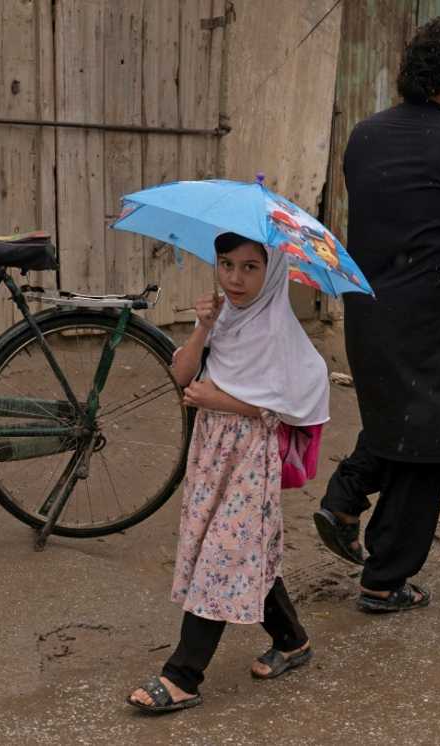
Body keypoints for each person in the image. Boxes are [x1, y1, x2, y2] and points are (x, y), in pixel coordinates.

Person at [312, 17, 440, 612]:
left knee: (401, 413)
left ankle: (345, 498)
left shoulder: (364, 135)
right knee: (431, 438)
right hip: (429, 315)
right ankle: (384, 578)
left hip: (366, 306)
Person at [127, 233, 330, 713]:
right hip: (210, 454)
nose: (235, 279)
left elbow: (295, 401)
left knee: (221, 556)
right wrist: (203, 326)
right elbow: (180, 374)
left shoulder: (279, 332)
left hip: (249, 457)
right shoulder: (226, 317)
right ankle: (292, 639)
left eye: (250, 267)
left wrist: (219, 400)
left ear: (273, 271)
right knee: (237, 549)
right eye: (226, 265)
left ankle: (183, 675)